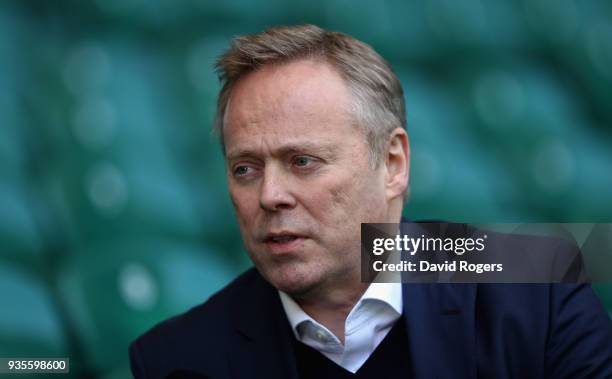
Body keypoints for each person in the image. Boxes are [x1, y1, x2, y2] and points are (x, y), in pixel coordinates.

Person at [129, 24, 612, 378]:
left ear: (393, 164)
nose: (270, 196)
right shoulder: (180, 361)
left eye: (303, 162)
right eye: (245, 169)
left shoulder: (538, 288)